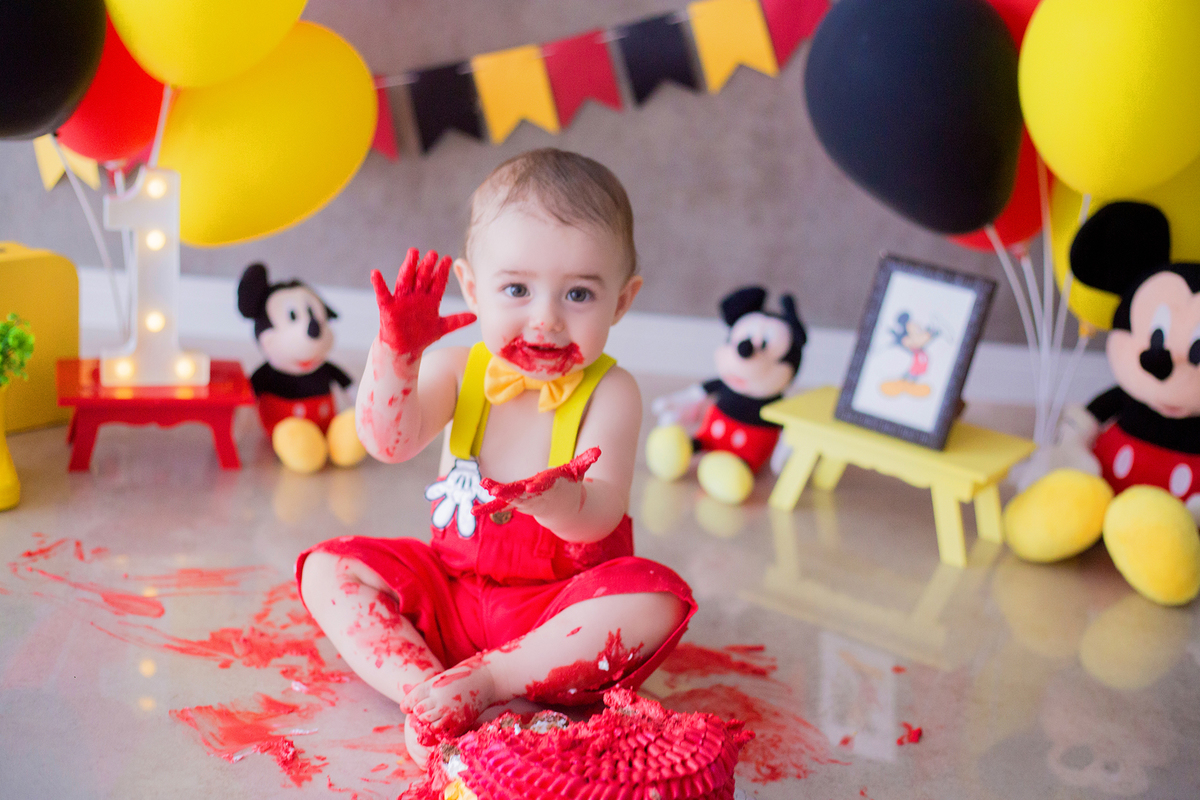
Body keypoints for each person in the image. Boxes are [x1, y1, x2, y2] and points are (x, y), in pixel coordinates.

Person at [296, 148, 696, 763]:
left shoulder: (612, 392)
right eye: (516, 289)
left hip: (556, 614)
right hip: (452, 591)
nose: (546, 320)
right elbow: (388, 440)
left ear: (621, 301)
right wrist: (395, 354)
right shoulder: (459, 366)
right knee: (328, 568)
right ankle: (425, 692)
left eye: (580, 296)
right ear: (472, 288)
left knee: (657, 595)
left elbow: (605, 512)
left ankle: (495, 681)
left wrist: (565, 503)